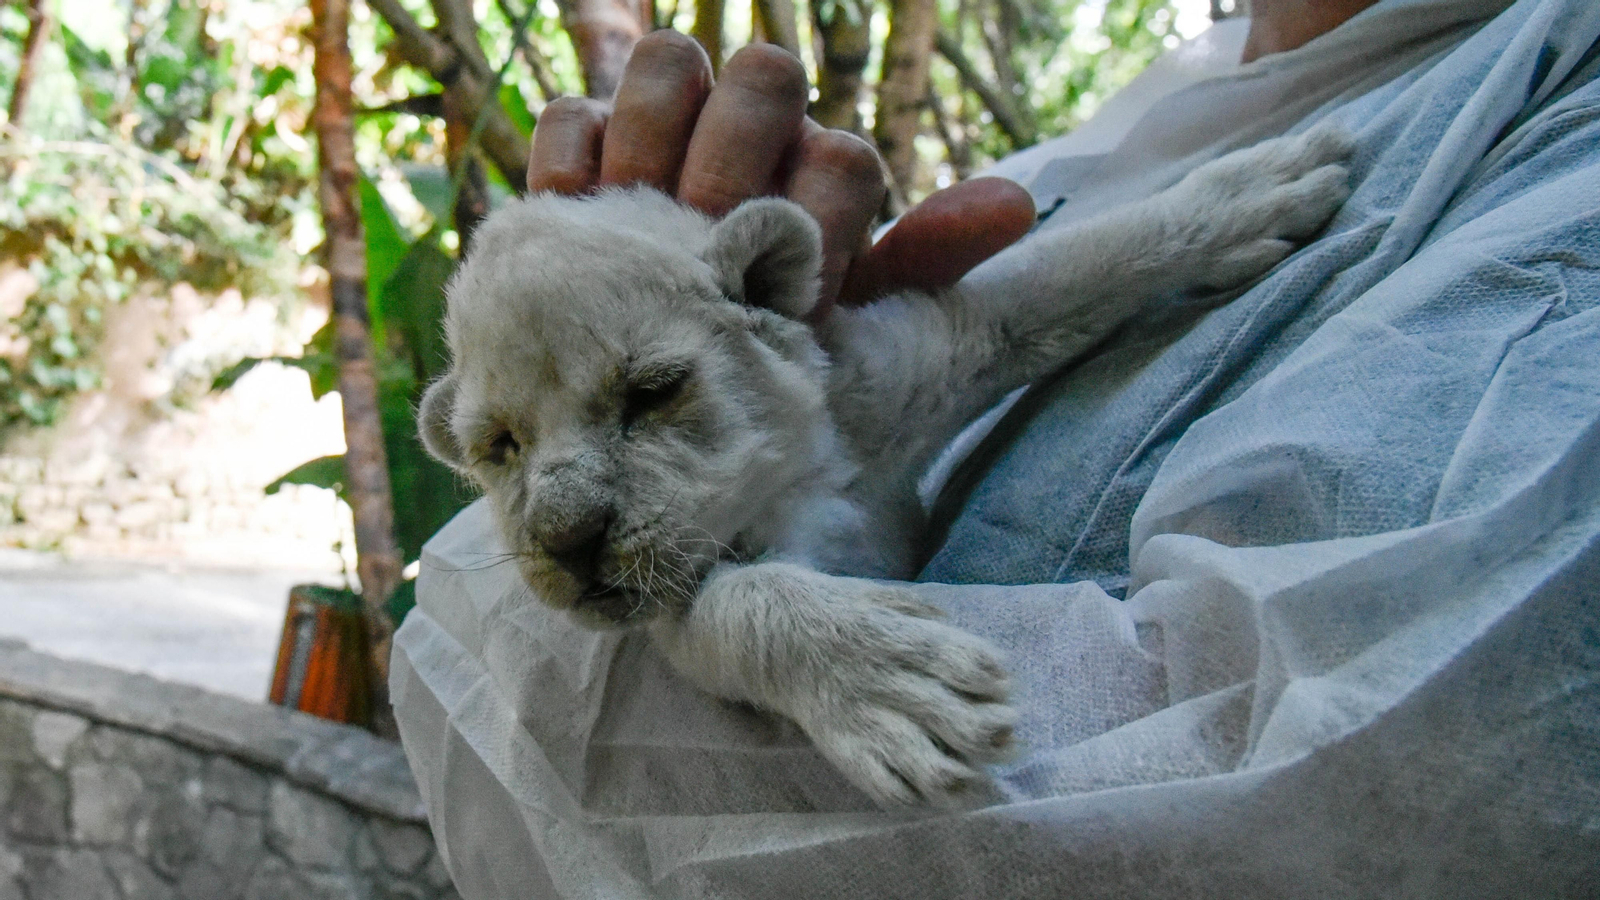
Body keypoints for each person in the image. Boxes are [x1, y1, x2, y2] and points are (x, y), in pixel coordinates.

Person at [390, 0, 1600, 896]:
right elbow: (976, 326)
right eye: (495, 450)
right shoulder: (1133, 124)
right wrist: (774, 636)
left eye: (652, 396)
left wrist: (1180, 234)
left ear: (763, 286)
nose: (558, 520)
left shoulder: (1548, 113)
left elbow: (994, 328)